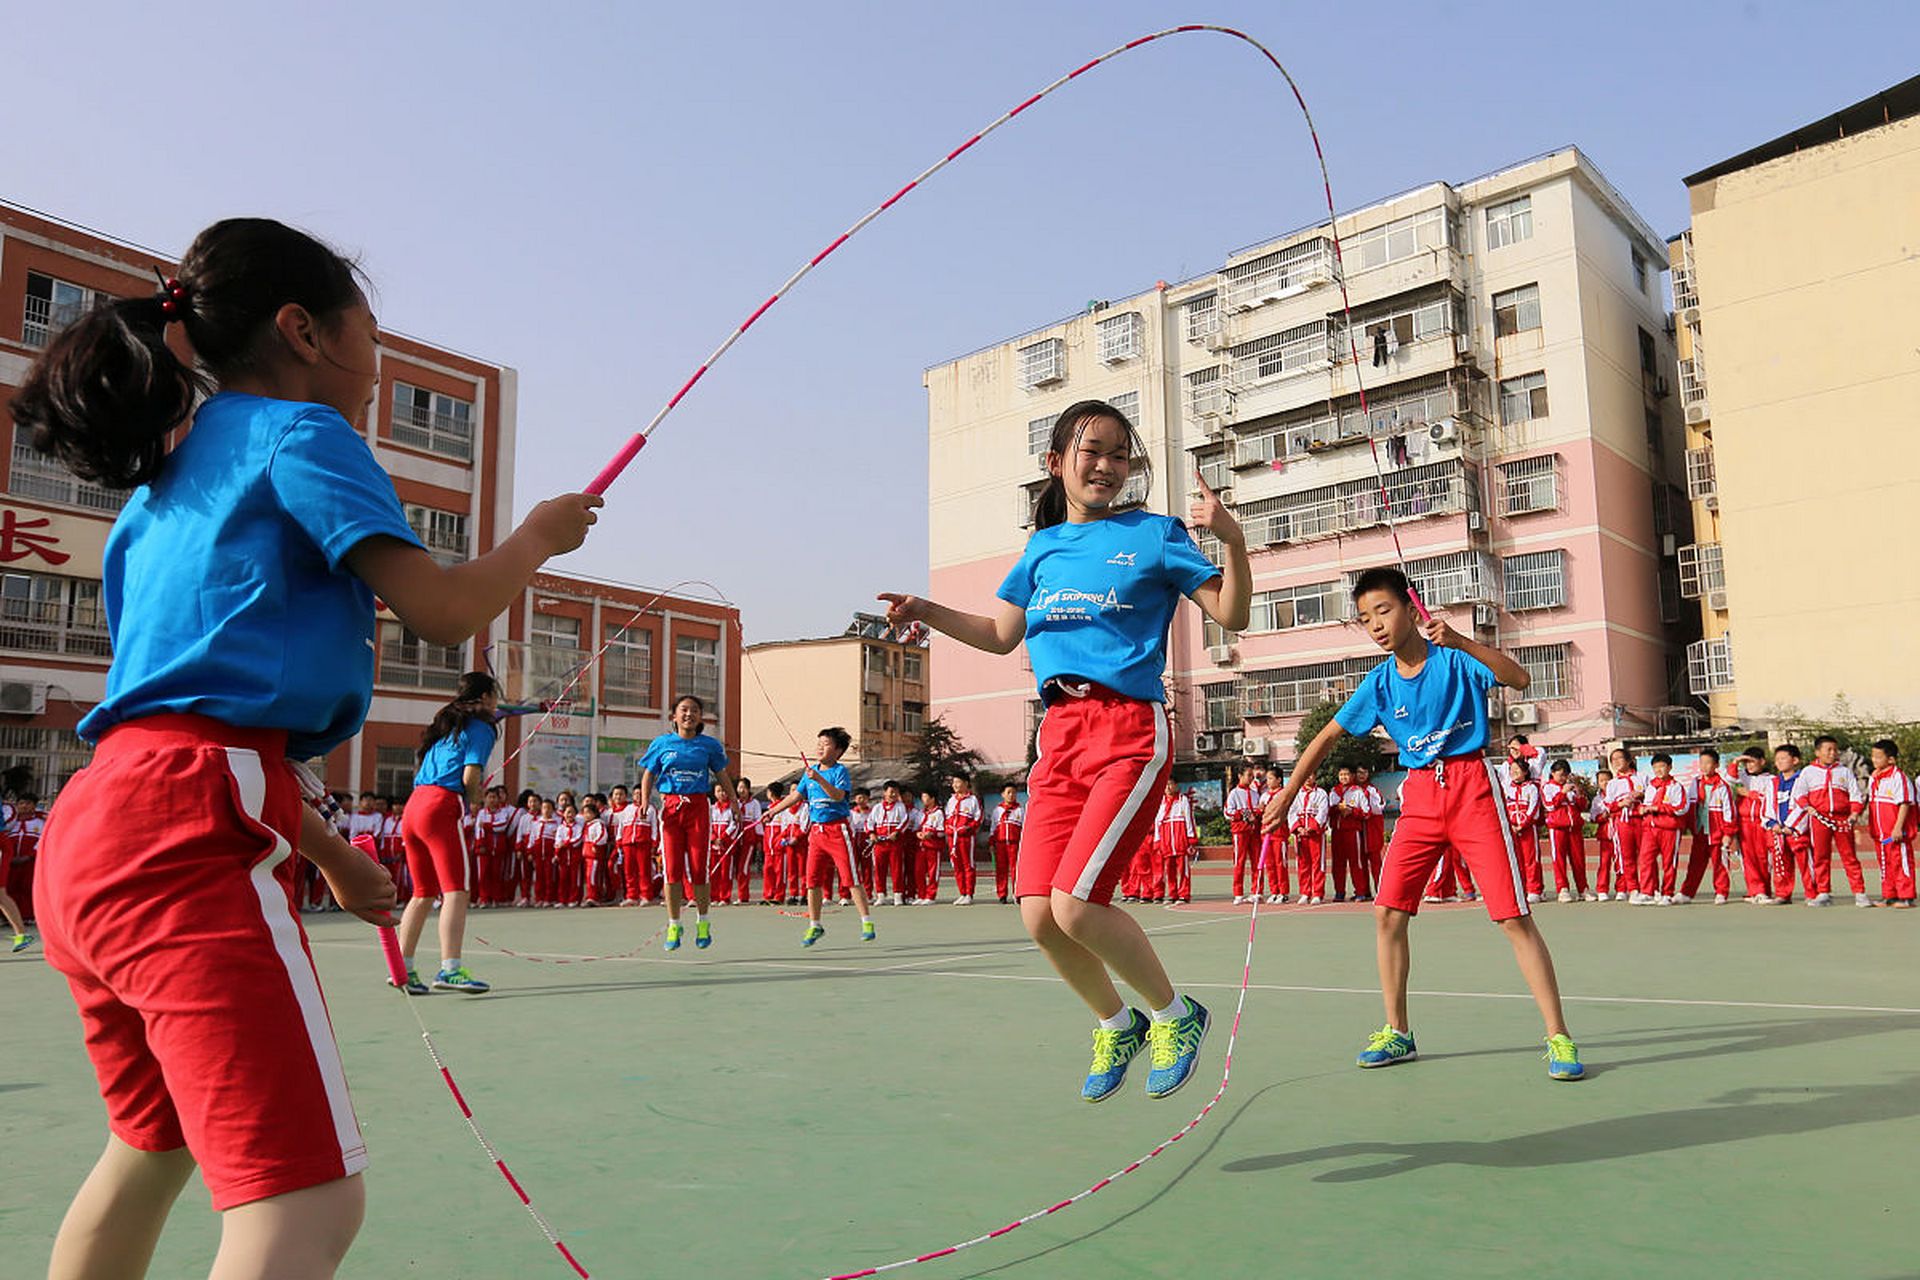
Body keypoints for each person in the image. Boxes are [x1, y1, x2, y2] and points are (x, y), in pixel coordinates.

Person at [12, 217, 598, 1278]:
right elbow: (443, 610)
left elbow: (190, 701)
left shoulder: (169, 474)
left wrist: (330, 851)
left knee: (151, 1144)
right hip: (189, 831)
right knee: (306, 1200)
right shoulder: (302, 435)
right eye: (371, 332)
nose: (378, 365)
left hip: (99, 828)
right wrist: (539, 539)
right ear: (304, 329)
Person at [881, 398, 1245, 1102]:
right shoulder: (1042, 549)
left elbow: (1231, 612)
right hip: (1060, 736)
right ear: (1057, 463)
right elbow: (998, 634)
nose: (1107, 466)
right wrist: (924, 611)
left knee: (1078, 904)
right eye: (1092, 451)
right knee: (1039, 915)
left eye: (1119, 454)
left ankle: (1177, 1014)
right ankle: (1116, 1022)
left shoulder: (1155, 535)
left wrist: (1230, 539)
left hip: (1128, 729)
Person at [1266, 567, 1584, 1081]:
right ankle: (1398, 1032)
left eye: (1384, 611)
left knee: (1512, 916)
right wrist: (1287, 793)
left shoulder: (1455, 660)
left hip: (1473, 788)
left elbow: (1519, 679)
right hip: (1419, 797)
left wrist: (1460, 638)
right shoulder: (1379, 683)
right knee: (1387, 913)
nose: (1376, 625)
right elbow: (1324, 738)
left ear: (1412, 610)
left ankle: (1559, 1037)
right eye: (1366, 618)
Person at [638, 694, 736, 950]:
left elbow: (721, 774)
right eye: (683, 710)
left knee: (698, 870)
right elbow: (649, 773)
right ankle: (674, 924)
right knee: (672, 872)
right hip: (670, 809)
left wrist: (734, 801)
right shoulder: (661, 744)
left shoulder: (709, 746)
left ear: (700, 717)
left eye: (694, 710)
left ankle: (703, 922)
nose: (688, 714)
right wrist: (645, 800)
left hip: (698, 809)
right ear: (674, 716)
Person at [765, 727, 876, 945]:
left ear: (838, 751)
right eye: (818, 743)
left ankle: (866, 922)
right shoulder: (809, 773)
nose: (819, 747)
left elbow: (837, 796)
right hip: (816, 833)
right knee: (812, 881)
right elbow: (796, 796)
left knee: (851, 878)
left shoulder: (839, 772)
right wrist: (773, 810)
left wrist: (819, 779)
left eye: (825, 744)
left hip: (838, 830)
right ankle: (815, 926)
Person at [1793, 735, 1869, 907]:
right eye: (1828, 749)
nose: (1832, 753)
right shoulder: (1808, 772)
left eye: (1835, 750)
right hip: (1819, 819)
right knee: (1820, 856)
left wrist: (1854, 813)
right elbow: (1799, 794)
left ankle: (1859, 893)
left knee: (1849, 856)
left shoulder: (1844, 771)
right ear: (1817, 752)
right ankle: (1823, 892)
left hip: (1842, 819)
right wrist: (1807, 807)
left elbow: (1855, 795)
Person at [1680, 749, 1737, 904]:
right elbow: (1689, 806)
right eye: (1701, 763)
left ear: (1716, 765)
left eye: (1708, 763)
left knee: (1720, 864)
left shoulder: (1722, 786)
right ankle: (1686, 893)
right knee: (1695, 864)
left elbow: (1729, 811)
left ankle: (1721, 892)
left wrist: (1728, 832)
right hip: (1700, 831)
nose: (1704, 766)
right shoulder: (1695, 783)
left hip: (1717, 832)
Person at [1864, 739, 1916, 907]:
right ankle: (1889, 895)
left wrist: (1898, 828)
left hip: (1895, 833)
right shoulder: (1874, 778)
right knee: (1885, 863)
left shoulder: (1898, 778)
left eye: (1878, 757)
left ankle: (1906, 897)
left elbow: (1904, 803)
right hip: (1880, 833)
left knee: (1900, 862)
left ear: (1891, 759)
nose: (1874, 760)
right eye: (1873, 756)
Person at [1638, 754, 1692, 905]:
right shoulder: (1651, 786)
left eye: (1662, 766)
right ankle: (1647, 892)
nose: (1658, 770)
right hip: (1650, 828)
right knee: (1645, 859)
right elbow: (1647, 804)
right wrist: (1642, 809)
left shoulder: (1676, 787)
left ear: (1669, 767)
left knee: (1669, 862)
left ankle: (1667, 893)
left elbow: (1681, 808)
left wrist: (1659, 808)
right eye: (1655, 767)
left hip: (1669, 829)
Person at [1540, 761, 1591, 902]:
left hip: (1574, 828)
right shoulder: (1548, 787)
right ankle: (1563, 889)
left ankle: (1583, 889)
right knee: (1559, 860)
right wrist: (1562, 793)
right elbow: (1550, 805)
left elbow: (1581, 807)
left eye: (1565, 775)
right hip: (1557, 828)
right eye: (1560, 774)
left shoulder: (1572, 788)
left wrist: (1579, 794)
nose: (1563, 778)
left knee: (1579, 860)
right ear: (1553, 773)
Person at [1734, 749, 1778, 904]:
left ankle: (1764, 890)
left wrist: (1750, 794)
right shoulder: (1741, 776)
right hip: (1744, 823)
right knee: (1747, 858)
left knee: (1763, 858)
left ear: (1762, 762)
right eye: (1747, 762)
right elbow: (1729, 778)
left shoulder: (1771, 779)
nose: (1749, 765)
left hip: (1762, 823)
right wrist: (1736, 761)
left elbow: (1769, 798)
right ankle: (1756, 890)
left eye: (1752, 761)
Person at [1503, 758, 1544, 904]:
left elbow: (1533, 808)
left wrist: (1523, 825)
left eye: (1517, 769)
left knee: (1531, 860)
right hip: (1512, 830)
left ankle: (1534, 890)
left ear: (1525, 772)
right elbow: (1504, 808)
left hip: (1527, 829)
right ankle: (1521, 889)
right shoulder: (1507, 788)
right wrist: (1510, 826)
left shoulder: (1531, 788)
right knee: (1516, 860)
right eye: (1511, 769)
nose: (1513, 772)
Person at [1328, 765, 1371, 902]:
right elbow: (1327, 811)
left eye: (1346, 774)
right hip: (1337, 832)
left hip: (1352, 832)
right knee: (1337, 864)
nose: (1343, 777)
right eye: (1341, 775)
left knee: (1355, 863)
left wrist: (1352, 811)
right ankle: (1339, 892)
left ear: (1352, 776)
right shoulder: (1334, 791)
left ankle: (1360, 891)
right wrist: (1337, 809)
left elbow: (1366, 812)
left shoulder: (1358, 792)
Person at [869, 781, 913, 907]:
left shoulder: (900, 806)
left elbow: (905, 821)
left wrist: (897, 832)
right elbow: (870, 822)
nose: (893, 794)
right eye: (891, 792)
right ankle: (881, 895)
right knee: (879, 869)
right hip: (879, 843)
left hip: (894, 843)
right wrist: (872, 834)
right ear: (885, 793)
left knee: (897, 869)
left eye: (895, 792)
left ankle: (898, 895)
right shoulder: (877, 807)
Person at [1288, 774, 1329, 906]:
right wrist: (1298, 828)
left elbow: (1323, 812)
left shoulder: (1321, 793)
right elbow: (1291, 812)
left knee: (1318, 863)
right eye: (1305, 774)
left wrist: (1312, 827)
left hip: (1315, 835)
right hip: (1300, 835)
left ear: (1315, 776)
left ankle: (1317, 893)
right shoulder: (1296, 794)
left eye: (1310, 775)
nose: (1307, 778)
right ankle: (1305, 892)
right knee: (1302, 864)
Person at [1154, 781, 1196, 904]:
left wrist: (1190, 839)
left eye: (1170, 784)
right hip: (1166, 841)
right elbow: (1157, 823)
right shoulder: (1161, 802)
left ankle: (1184, 894)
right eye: (1165, 785)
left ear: (1176, 786)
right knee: (1169, 870)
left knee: (1183, 870)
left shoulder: (1183, 800)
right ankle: (1173, 894)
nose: (1167, 787)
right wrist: (1158, 840)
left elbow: (1189, 819)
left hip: (1180, 841)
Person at [1224, 764, 1261, 905]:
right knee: (1239, 862)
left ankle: (1256, 891)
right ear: (1240, 776)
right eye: (1248, 775)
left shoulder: (1254, 793)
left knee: (1256, 862)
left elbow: (1258, 810)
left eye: (1252, 775)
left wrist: (1256, 813)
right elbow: (1228, 812)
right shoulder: (1234, 793)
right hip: (1240, 831)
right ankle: (1238, 893)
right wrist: (1244, 815)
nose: (1251, 778)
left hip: (1254, 832)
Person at [945, 775, 983, 905]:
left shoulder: (973, 800)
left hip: (966, 838)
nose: (955, 785)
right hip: (952, 838)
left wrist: (968, 828)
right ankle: (962, 893)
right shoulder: (951, 800)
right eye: (953, 782)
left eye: (957, 782)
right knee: (956, 866)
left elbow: (978, 818)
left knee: (968, 865)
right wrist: (948, 829)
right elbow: (947, 818)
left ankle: (969, 894)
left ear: (966, 783)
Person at [990, 784, 1024, 904]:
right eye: (1008, 792)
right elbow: (993, 828)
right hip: (1000, 844)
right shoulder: (997, 810)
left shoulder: (1020, 810)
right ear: (1003, 794)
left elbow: (1024, 828)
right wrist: (991, 843)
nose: (1011, 795)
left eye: (1014, 793)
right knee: (1001, 870)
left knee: (1016, 870)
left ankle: (1017, 894)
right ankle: (1002, 894)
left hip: (1015, 844)